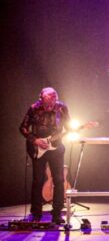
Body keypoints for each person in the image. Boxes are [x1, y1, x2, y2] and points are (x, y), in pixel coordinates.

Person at [19, 87, 71, 224]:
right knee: (38, 181)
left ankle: (57, 214)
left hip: (56, 147)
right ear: (41, 99)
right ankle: (36, 213)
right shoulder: (33, 108)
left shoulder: (62, 108)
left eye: (53, 102)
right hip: (38, 148)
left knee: (59, 180)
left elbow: (69, 127)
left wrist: (71, 130)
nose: (50, 105)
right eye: (47, 102)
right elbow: (23, 128)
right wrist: (34, 140)